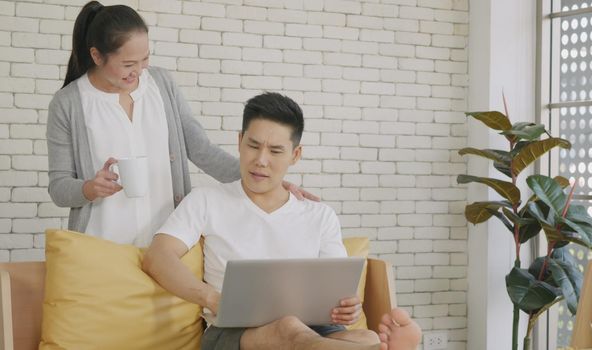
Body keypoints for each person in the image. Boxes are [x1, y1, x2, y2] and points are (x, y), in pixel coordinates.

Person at [142, 92, 421, 350]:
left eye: (275, 151)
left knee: (364, 335)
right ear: (239, 142)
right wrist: (212, 298)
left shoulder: (319, 215)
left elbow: (338, 293)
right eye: (253, 146)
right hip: (235, 332)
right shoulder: (207, 200)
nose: (261, 160)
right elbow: (158, 257)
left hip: (318, 328)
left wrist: (349, 308)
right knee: (290, 328)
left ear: (295, 155)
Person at [46, 1, 314, 247]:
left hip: (166, 244)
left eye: (145, 59)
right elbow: (59, 187)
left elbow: (201, 149)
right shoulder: (68, 103)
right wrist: (89, 188)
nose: (139, 71)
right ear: (96, 55)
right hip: (100, 246)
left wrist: (267, 181)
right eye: (128, 63)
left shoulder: (161, 85)